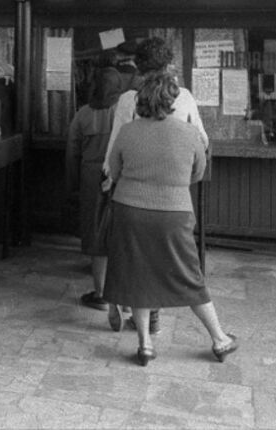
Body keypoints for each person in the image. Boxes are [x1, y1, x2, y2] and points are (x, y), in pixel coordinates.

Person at [103, 71, 237, 366]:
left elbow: (114, 169)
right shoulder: (189, 134)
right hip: (174, 212)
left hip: (129, 211)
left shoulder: (128, 132)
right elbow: (198, 172)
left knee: (137, 275)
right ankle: (219, 339)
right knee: (188, 275)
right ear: (172, 100)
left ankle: (145, 344)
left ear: (141, 100)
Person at [101, 36, 208, 332]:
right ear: (170, 63)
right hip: (173, 193)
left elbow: (114, 150)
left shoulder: (127, 100)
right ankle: (154, 315)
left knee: (131, 254)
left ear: (137, 65)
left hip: (132, 189)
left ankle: (124, 308)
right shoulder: (184, 97)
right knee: (164, 255)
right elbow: (202, 140)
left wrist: (110, 178)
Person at [66, 66, 127, 311]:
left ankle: (100, 293)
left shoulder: (82, 114)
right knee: (120, 230)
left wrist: (72, 185)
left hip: (91, 175)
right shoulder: (123, 112)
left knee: (95, 231)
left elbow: (72, 152)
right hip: (120, 174)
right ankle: (122, 290)